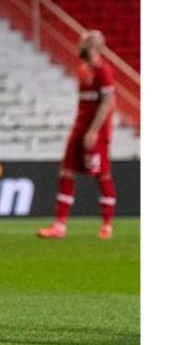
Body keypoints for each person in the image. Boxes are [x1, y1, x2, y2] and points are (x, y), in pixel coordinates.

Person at [38, 30, 117, 240]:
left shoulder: (103, 71)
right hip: (79, 128)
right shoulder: (83, 70)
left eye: (83, 43)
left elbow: (108, 102)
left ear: (92, 47)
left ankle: (107, 224)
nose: (78, 46)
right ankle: (59, 226)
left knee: (102, 174)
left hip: (96, 132)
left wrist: (93, 131)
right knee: (67, 171)